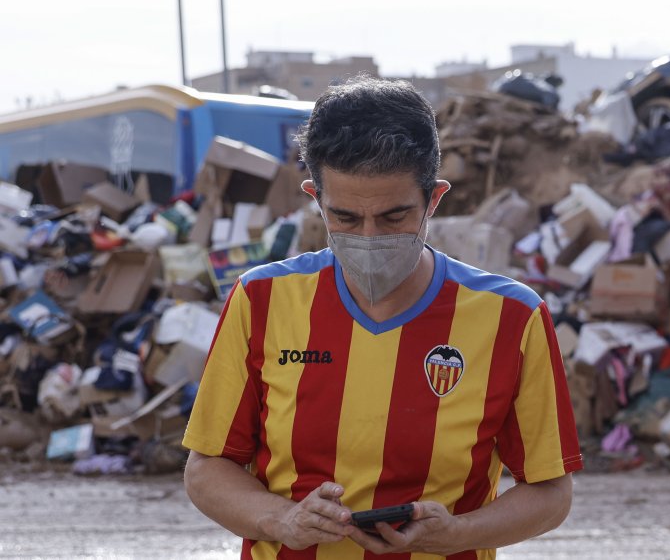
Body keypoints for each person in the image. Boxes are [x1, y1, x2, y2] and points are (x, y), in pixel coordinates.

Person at [182, 76, 581, 559]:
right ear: (315, 197)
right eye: (345, 218)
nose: (368, 237)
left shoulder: (513, 318)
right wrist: (282, 520)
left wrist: (458, 533)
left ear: (433, 199)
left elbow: (550, 490)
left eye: (393, 217)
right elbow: (207, 467)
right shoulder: (261, 299)